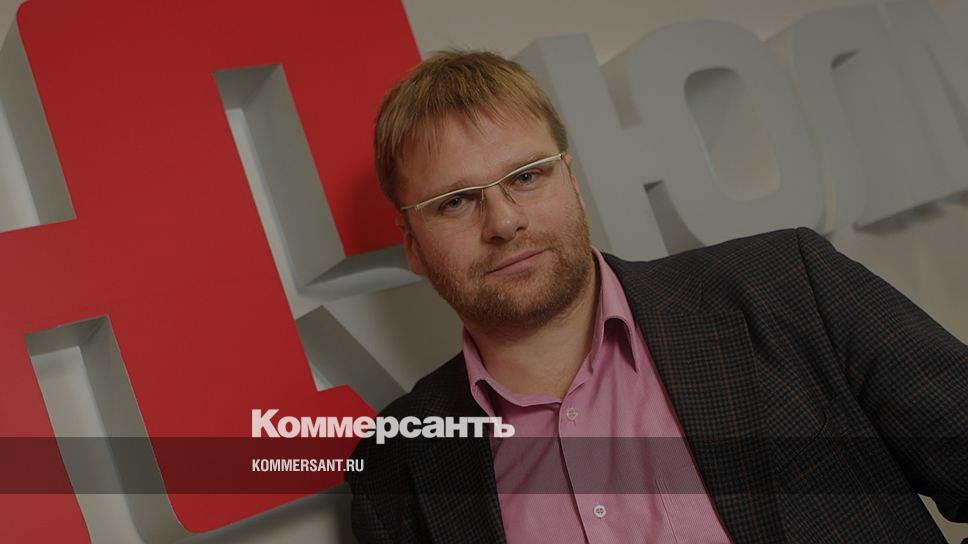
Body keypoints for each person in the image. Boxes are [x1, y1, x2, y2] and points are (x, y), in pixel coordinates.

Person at [345, 49, 967, 543]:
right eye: (455, 201)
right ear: (413, 245)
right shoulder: (396, 465)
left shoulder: (788, 285)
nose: (504, 222)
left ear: (573, 182)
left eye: (527, 176)